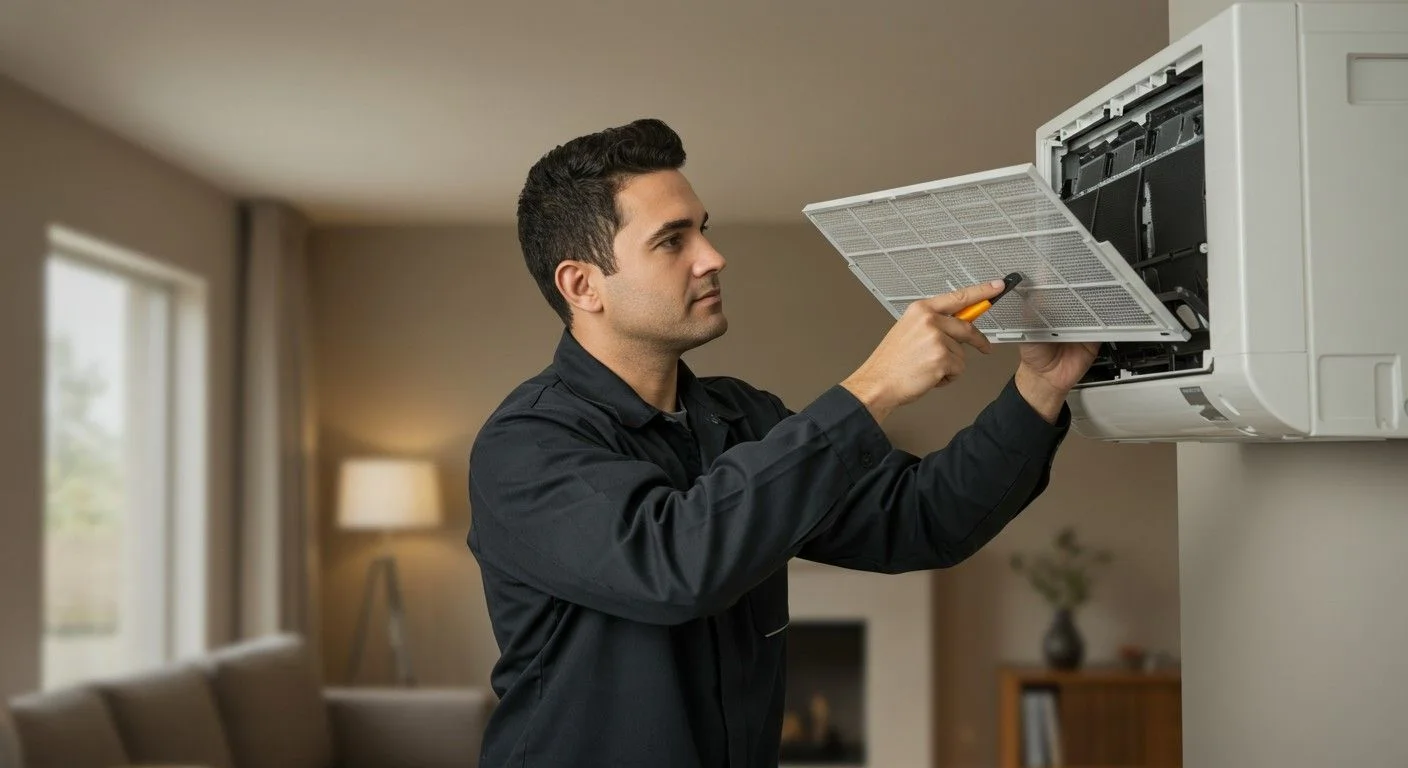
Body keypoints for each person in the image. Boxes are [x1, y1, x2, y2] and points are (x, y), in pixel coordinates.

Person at [467, 118, 1099, 767]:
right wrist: (872, 388)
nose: (712, 257)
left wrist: (1040, 385)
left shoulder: (743, 418)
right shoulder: (526, 447)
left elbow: (924, 518)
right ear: (582, 285)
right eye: (671, 241)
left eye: (702, 229)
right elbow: (673, 565)